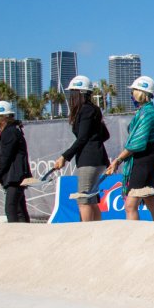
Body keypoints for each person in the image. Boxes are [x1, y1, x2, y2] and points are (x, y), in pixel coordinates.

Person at [106, 76, 154, 222]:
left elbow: (137, 143)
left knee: (130, 206)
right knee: (152, 203)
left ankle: (133, 238)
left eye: (133, 91)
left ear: (140, 92)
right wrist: (150, 146)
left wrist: (118, 160)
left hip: (143, 162)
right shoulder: (148, 111)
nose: (131, 94)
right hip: (150, 159)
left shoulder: (147, 112)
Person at [53, 75, 110, 222]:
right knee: (91, 198)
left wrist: (64, 157)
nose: (70, 97)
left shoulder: (85, 111)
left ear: (79, 94)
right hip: (98, 158)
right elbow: (105, 135)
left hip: (89, 159)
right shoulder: (94, 110)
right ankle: (97, 230)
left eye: (72, 93)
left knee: (83, 199)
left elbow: (82, 138)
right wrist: (94, 141)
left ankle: (85, 232)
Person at [0, 100, 31, 223]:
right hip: (15, 177)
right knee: (20, 209)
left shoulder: (9, 132)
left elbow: (6, 159)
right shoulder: (13, 130)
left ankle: (16, 234)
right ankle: (27, 234)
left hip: (14, 178)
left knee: (11, 208)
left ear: (2, 118)